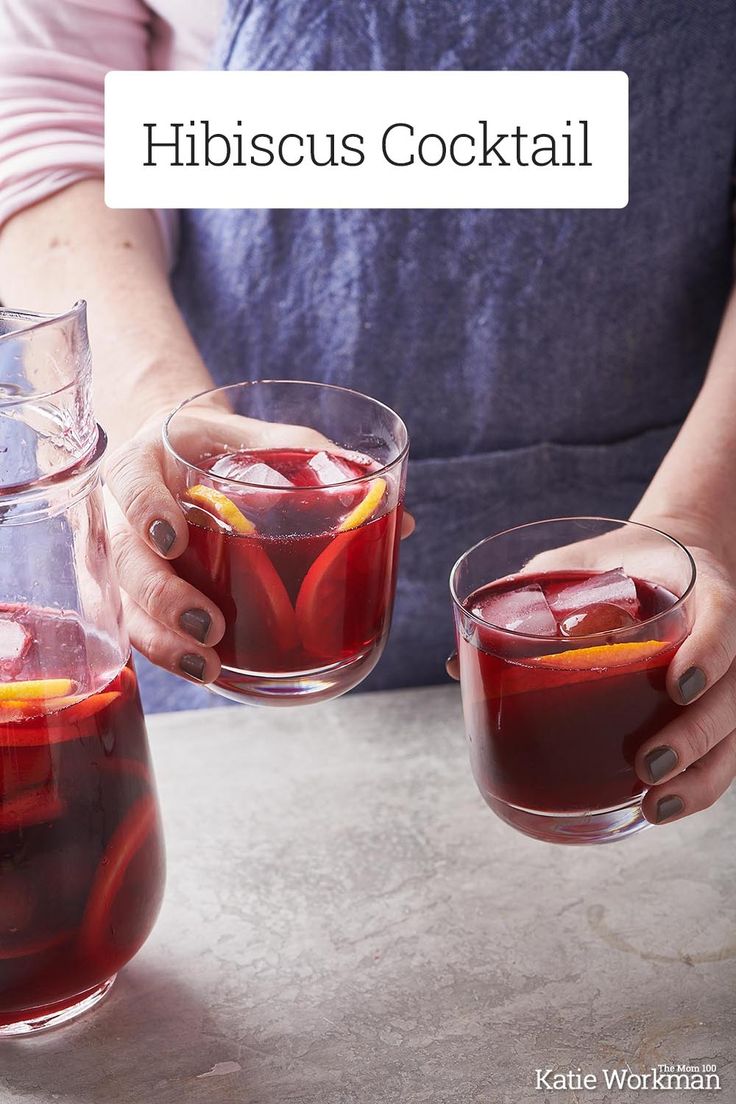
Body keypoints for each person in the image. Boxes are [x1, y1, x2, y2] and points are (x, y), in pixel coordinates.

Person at [1, 1, 735, 828]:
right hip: (207, 604)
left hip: (677, 561)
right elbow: (41, 104)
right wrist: (159, 415)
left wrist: (702, 520)